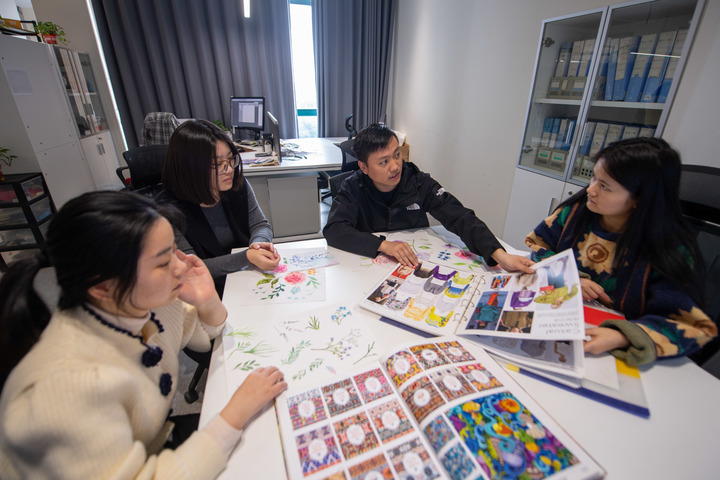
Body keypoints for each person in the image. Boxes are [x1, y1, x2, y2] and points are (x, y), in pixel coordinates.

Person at [0, 191, 287, 479]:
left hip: (150, 441)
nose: (181, 266)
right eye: (162, 262)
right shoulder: (68, 388)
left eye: (174, 251)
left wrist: (207, 299)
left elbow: (203, 335)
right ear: (102, 287)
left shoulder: (141, 302)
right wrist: (235, 412)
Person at [525, 137, 717, 366]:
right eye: (594, 177)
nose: (590, 190)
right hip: (563, 318)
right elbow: (538, 245)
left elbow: (690, 327)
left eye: (605, 186)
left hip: (615, 349)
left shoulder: (669, 249)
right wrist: (570, 279)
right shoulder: (575, 213)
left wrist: (622, 336)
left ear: (640, 198)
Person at [323, 123, 534, 273]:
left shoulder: (418, 182)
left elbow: (460, 217)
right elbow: (334, 230)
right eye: (384, 162)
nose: (395, 166)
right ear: (364, 167)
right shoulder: (353, 187)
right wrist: (384, 245)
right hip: (367, 268)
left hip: (416, 264)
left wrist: (500, 255)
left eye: (397, 155)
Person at [160, 119, 280, 295]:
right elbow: (191, 268)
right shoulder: (167, 212)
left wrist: (257, 245)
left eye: (231, 160)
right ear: (190, 168)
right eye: (218, 164)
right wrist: (246, 257)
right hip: (206, 290)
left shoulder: (236, 184)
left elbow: (260, 225)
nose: (229, 169)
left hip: (245, 278)